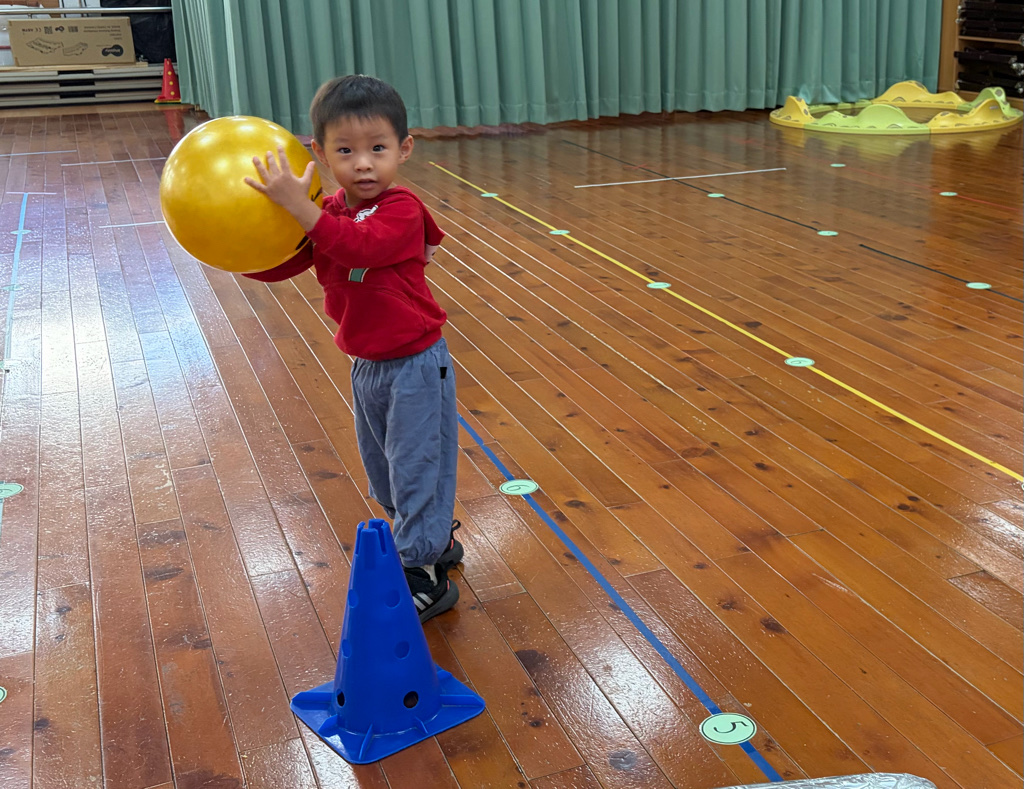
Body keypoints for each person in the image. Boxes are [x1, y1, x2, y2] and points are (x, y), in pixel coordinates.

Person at [242, 74, 462, 623]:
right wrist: (233, 246)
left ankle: (424, 570)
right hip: (367, 365)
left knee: (416, 467)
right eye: (345, 151)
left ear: (403, 149)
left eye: (377, 149)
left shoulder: (401, 208)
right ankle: (432, 539)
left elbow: (359, 246)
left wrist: (304, 211)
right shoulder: (331, 210)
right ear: (319, 153)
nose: (363, 164)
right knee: (383, 470)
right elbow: (289, 259)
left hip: (415, 363)